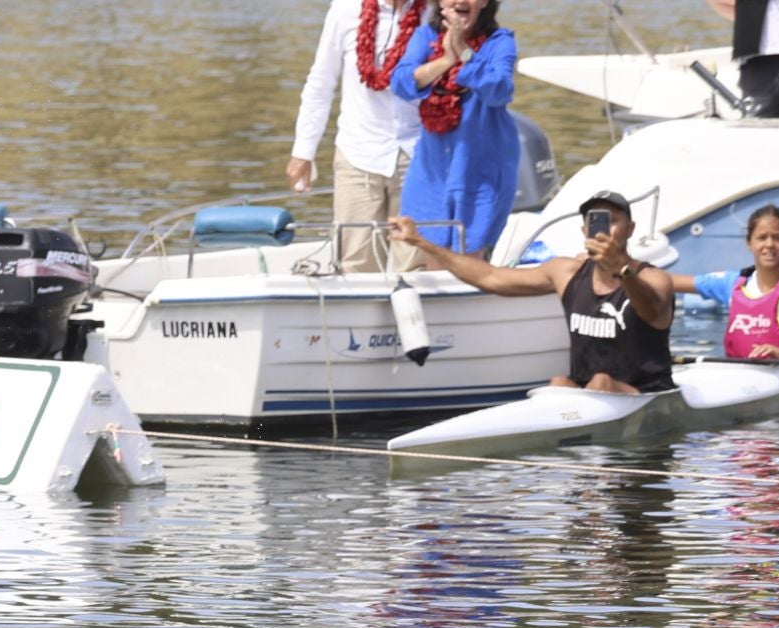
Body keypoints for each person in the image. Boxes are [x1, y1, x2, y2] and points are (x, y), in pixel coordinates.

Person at [391, 190, 677, 392]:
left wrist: (622, 269)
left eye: (613, 221)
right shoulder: (566, 272)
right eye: (595, 221)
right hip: (587, 394)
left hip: (644, 393)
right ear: (584, 230)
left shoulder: (653, 278)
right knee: (559, 382)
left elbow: (653, 310)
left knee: (601, 381)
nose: (603, 229)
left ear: (630, 229)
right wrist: (421, 242)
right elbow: (491, 277)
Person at [289, 0, 428, 272]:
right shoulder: (345, 9)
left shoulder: (434, 11)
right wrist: (303, 152)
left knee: (415, 266)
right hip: (359, 154)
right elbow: (321, 82)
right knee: (354, 266)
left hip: (418, 156)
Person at [388, 0, 520, 257]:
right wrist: (446, 60)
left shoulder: (500, 41)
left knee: (471, 263)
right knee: (433, 255)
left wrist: (463, 51)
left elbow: (500, 92)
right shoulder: (424, 36)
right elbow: (401, 82)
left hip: (480, 174)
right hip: (431, 172)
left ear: (484, 2)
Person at [668, 203, 779, 358]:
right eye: (762, 237)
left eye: (777, 238)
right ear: (749, 243)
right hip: (741, 377)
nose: (770, 244)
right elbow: (667, 282)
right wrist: (641, 269)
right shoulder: (732, 282)